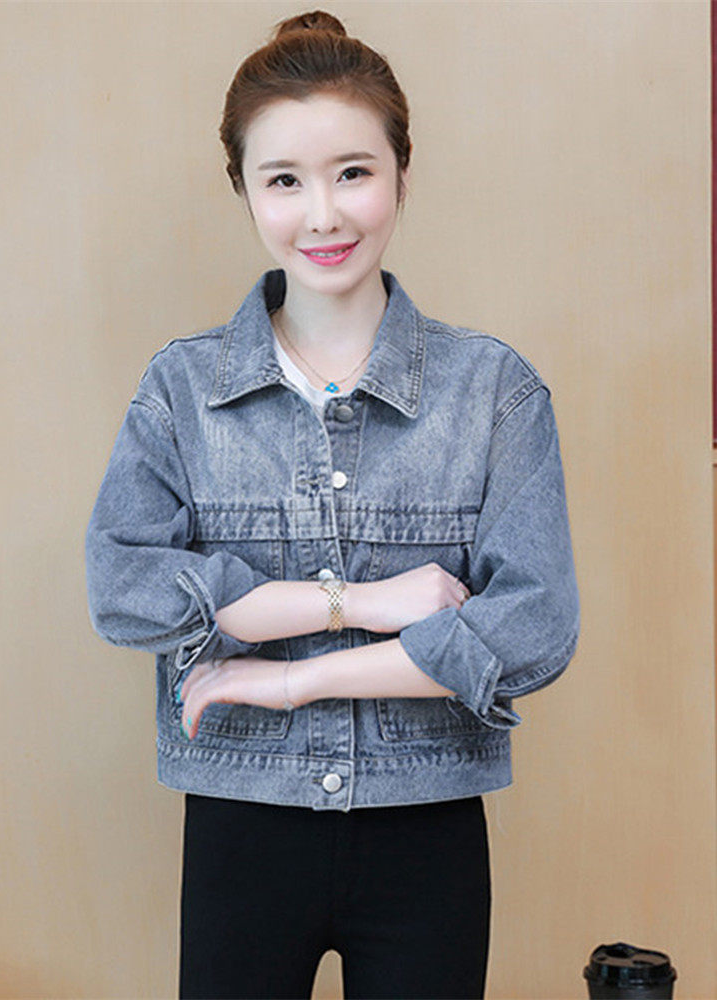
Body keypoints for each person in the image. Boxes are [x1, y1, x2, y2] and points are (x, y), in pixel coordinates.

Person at [84, 9, 581, 1000]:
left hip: (427, 834)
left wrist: (288, 680)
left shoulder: (495, 391)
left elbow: (535, 627)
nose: (323, 215)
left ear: (402, 172)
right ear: (243, 188)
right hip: (241, 829)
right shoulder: (181, 391)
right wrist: (362, 601)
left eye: (353, 171)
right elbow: (123, 586)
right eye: (284, 180)